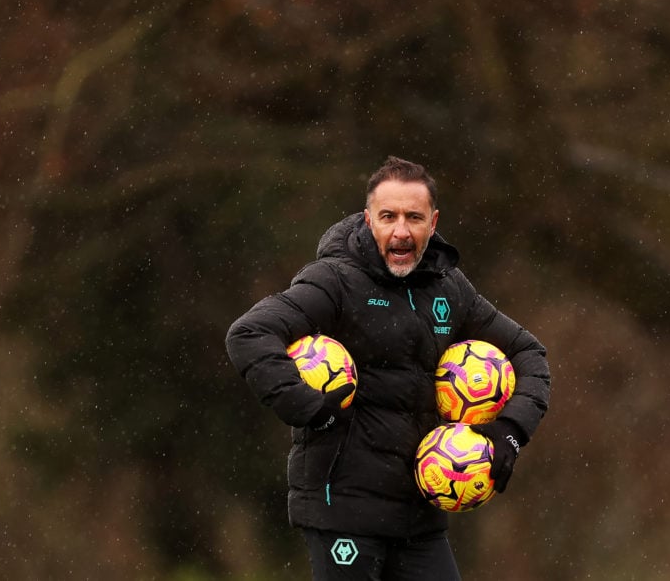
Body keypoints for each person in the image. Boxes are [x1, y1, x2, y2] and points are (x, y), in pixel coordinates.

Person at [225, 156, 550, 580]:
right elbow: (249, 334)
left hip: (420, 516)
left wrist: (509, 430)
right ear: (367, 221)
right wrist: (310, 409)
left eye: (413, 217)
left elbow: (531, 355)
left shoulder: (450, 288)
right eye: (388, 216)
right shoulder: (334, 281)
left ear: (433, 224)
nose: (401, 231)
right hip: (342, 510)